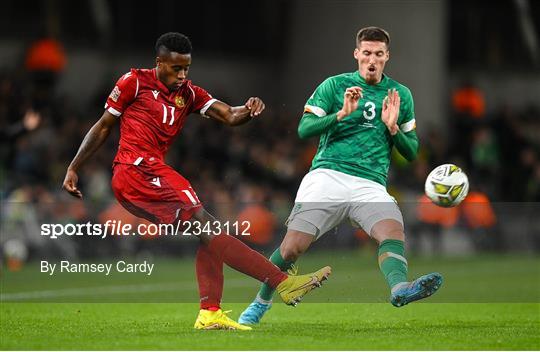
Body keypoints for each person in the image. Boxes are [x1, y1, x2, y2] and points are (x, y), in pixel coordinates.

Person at [62, 32, 331, 330]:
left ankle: (210, 313)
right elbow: (103, 127)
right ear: (159, 63)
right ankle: (282, 282)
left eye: (186, 68)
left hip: (151, 174)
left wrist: (249, 110)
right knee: (208, 226)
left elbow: (229, 115)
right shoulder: (133, 82)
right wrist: (74, 167)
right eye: (176, 68)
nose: (182, 75)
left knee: (209, 234)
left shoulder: (188, 94)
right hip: (135, 171)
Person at [239, 27, 443, 325]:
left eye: (379, 54)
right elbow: (303, 129)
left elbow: (412, 152)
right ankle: (260, 303)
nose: (372, 59)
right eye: (367, 53)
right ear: (356, 54)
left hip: (370, 183)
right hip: (328, 176)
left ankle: (400, 288)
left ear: (387, 56)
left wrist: (393, 128)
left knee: (392, 233)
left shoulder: (400, 96)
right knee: (292, 247)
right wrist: (340, 114)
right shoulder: (334, 86)